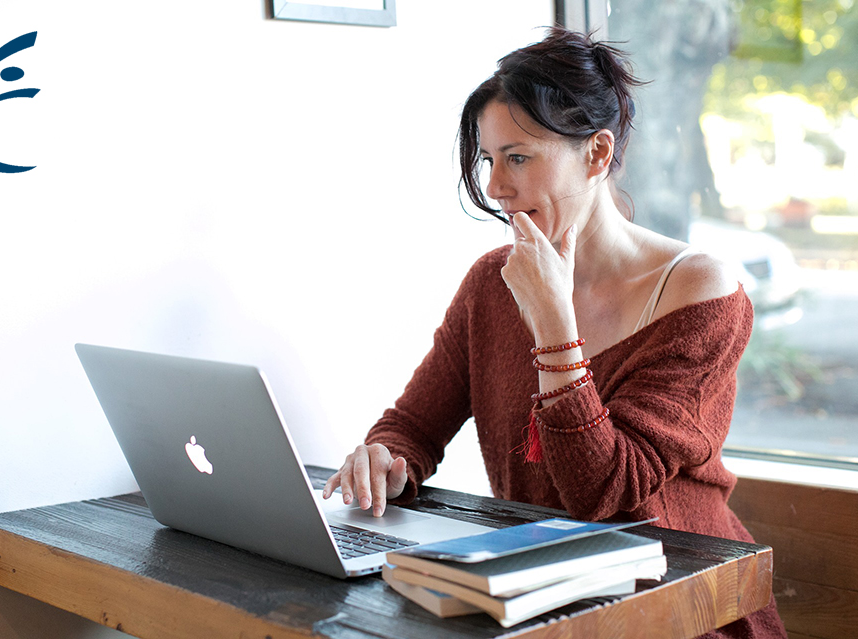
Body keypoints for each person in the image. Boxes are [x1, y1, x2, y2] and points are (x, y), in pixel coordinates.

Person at [322, 27, 787, 638]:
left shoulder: (702, 292)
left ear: (596, 154)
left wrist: (553, 325)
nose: (494, 187)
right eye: (490, 160)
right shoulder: (493, 281)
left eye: (518, 157)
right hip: (543, 595)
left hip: (678, 605)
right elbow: (412, 425)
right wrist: (386, 458)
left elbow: (604, 491)